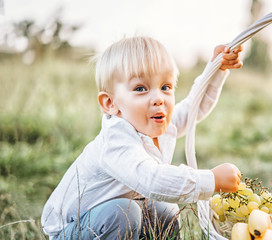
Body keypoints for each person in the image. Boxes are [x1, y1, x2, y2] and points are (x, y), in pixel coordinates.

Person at [41, 36, 243, 240]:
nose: (158, 98)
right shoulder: (116, 139)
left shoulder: (157, 123)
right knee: (123, 214)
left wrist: (216, 69)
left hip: (113, 214)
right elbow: (152, 179)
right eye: (140, 89)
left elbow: (193, 108)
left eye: (165, 87)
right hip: (71, 228)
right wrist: (211, 180)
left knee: (166, 211)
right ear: (110, 103)